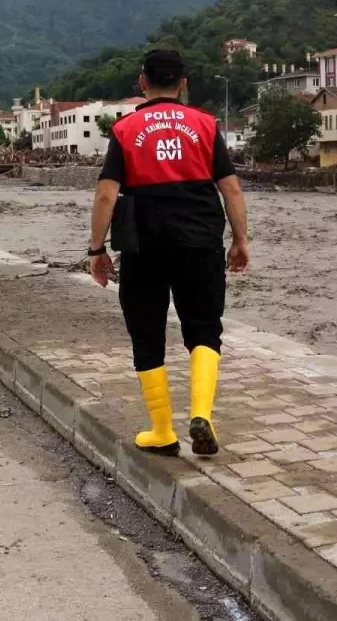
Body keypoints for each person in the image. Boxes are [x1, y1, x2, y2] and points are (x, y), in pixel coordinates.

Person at [88, 49, 249, 457]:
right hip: (200, 241)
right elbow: (230, 188)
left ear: (143, 82)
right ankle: (202, 415)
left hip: (144, 244)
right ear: (183, 83)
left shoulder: (126, 129)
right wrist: (240, 240)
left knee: (147, 333)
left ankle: (162, 431)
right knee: (204, 329)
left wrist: (96, 249)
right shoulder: (206, 125)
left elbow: (106, 194)